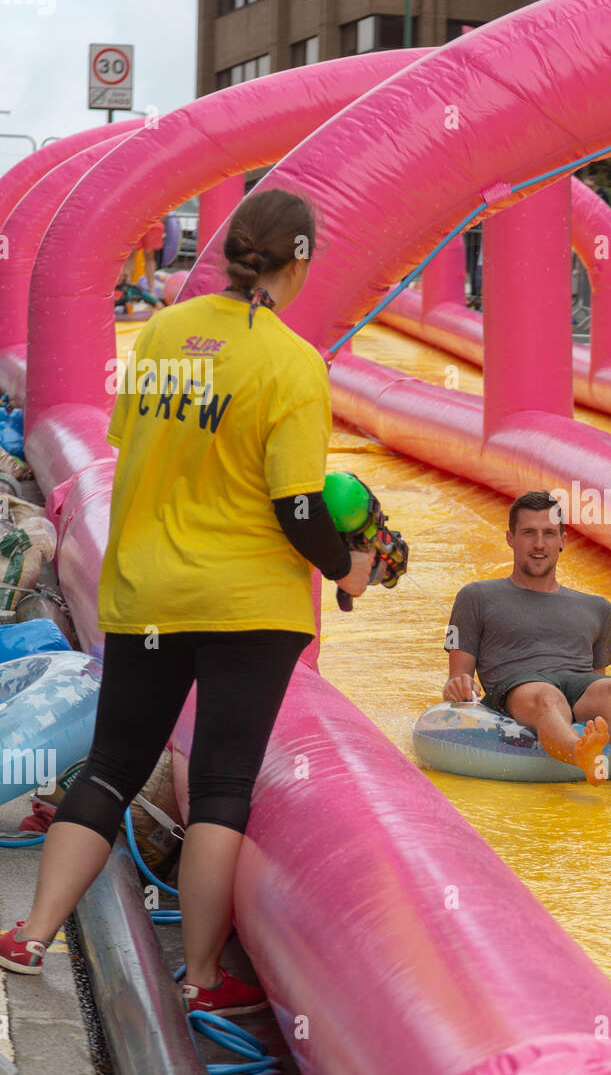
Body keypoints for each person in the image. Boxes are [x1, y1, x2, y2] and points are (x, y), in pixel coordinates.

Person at [0, 189, 375, 1014]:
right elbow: (298, 505)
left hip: (147, 588)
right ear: (300, 260)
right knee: (222, 785)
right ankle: (202, 979)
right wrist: (350, 570)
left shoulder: (164, 332)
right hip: (246, 603)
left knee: (110, 767)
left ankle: (30, 934)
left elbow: (134, 443)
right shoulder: (289, 363)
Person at [442, 492, 611, 787]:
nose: (539, 544)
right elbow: (459, 677)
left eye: (548, 534)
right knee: (548, 695)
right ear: (510, 538)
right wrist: (458, 686)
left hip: (576, 685)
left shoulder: (597, 607)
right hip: (518, 687)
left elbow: (591, 683)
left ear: (562, 539)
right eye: (528, 533)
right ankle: (581, 754)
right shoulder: (476, 597)